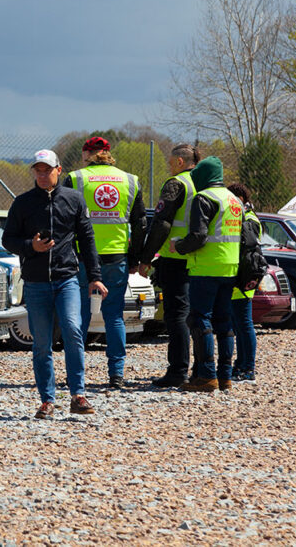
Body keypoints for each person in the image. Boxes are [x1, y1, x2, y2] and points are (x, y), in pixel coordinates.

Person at [2, 149, 107, 419]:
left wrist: (94, 276)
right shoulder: (22, 203)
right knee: (41, 344)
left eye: (46, 169)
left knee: (73, 330)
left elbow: (87, 239)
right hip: (36, 283)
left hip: (66, 279)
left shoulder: (73, 199)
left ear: (58, 170)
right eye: (37, 169)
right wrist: (31, 246)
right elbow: (8, 240)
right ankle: (47, 400)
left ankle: (78, 395)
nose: (41, 174)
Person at [65, 136, 146, 389]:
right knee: (114, 317)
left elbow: (65, 220)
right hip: (116, 258)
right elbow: (140, 224)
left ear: (87, 154)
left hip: (82, 259)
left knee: (79, 316)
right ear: (108, 153)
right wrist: (135, 259)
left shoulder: (76, 179)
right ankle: (117, 375)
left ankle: (76, 375)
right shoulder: (130, 181)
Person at [170, 156, 243, 392]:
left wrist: (178, 246)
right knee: (224, 321)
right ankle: (225, 376)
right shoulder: (233, 200)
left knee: (200, 319)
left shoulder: (204, 198)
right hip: (230, 265)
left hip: (206, 266)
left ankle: (206, 375)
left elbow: (198, 236)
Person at [137, 143, 200, 387]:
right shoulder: (204, 183)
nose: (167, 165)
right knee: (199, 316)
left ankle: (177, 371)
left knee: (176, 316)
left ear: (180, 162)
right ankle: (203, 370)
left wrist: (145, 257)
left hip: (176, 259)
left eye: (170, 161)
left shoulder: (177, 184)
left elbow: (162, 223)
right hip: (202, 259)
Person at [227, 182, 260, 383]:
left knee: (244, 324)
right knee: (239, 325)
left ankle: (248, 367)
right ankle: (241, 364)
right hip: (239, 276)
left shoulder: (248, 218)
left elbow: (246, 245)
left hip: (243, 277)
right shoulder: (247, 216)